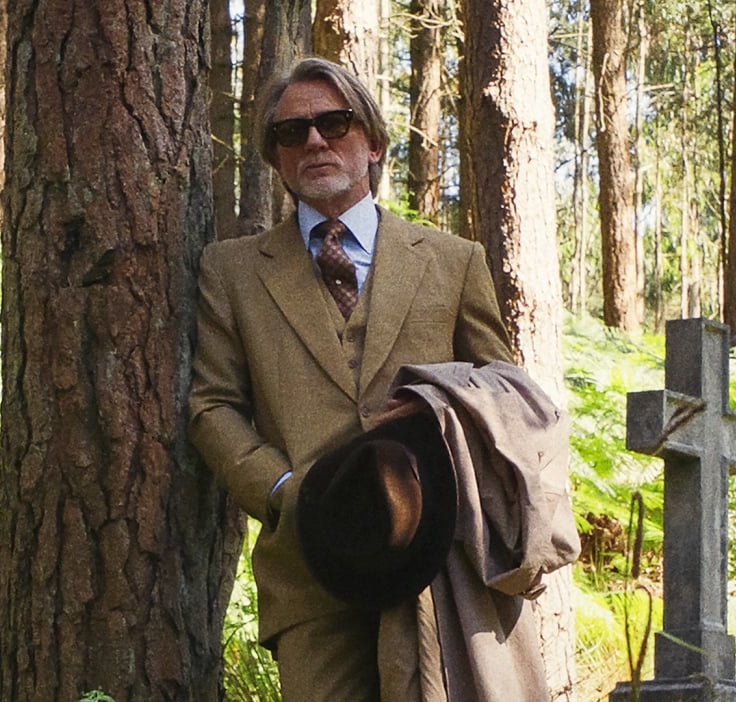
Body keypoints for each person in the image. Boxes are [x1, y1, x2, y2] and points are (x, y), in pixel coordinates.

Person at [187, 57, 517, 701]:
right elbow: (212, 406)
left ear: (372, 143)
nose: (314, 141)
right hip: (311, 569)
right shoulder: (231, 271)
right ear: (276, 159)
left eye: (333, 124)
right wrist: (284, 489)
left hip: (436, 560)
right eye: (292, 132)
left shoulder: (453, 263)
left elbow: (503, 393)